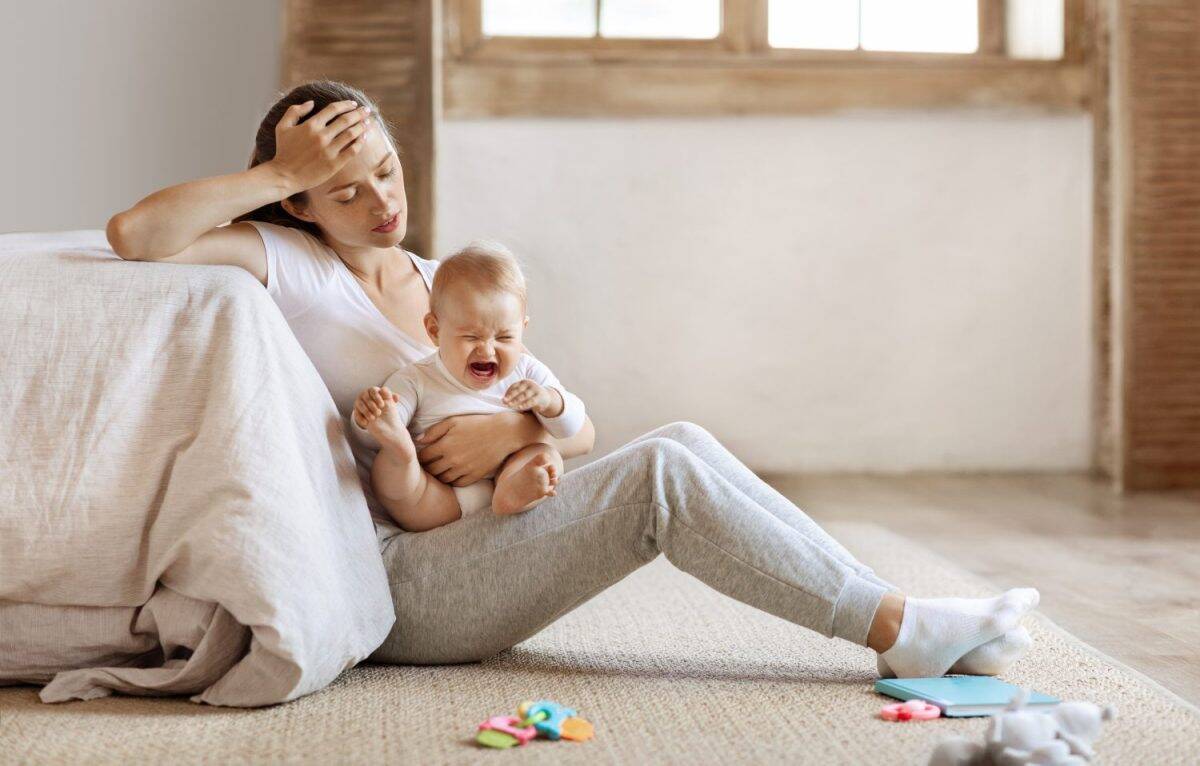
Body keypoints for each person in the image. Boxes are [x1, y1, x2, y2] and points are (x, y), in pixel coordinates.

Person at [107, 79, 1037, 678]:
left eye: (385, 171)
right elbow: (136, 236)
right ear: (302, 203)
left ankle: (898, 618)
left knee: (680, 442)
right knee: (660, 479)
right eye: (345, 191)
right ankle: (901, 630)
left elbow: (577, 432)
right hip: (399, 587)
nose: (382, 201)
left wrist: (515, 431)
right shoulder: (291, 264)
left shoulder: (440, 282)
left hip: (477, 537)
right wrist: (277, 171)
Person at [350, 242, 586, 531]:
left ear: (523, 328)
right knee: (389, 467)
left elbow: (572, 426)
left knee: (546, 457)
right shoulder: (417, 378)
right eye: (471, 337)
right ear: (435, 331)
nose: (487, 350)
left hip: (509, 473)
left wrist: (549, 400)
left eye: (504, 338)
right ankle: (403, 453)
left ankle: (516, 490)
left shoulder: (528, 371)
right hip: (441, 495)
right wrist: (377, 418)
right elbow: (375, 436)